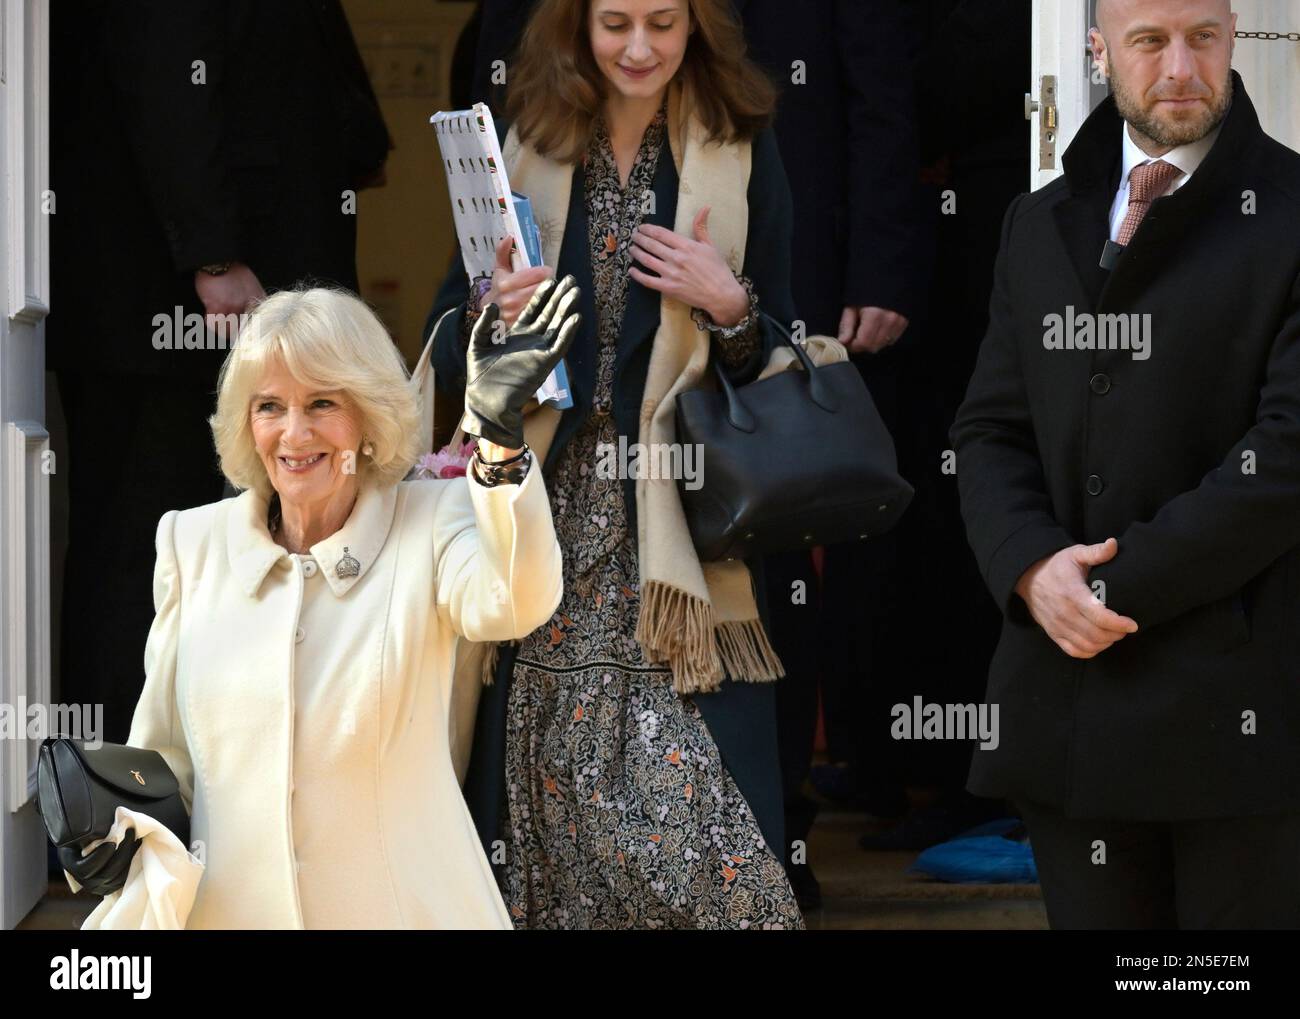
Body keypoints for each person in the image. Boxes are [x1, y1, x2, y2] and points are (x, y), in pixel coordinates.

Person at [424, 0, 803, 928]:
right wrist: (490, 315)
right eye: (617, 22)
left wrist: (731, 305)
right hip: (545, 520)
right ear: (578, 27)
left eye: (664, 23)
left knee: (701, 829)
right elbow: (447, 350)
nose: (640, 47)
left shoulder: (743, 151)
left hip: (680, 525)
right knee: (551, 807)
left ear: (696, 28)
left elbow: (786, 364)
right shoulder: (524, 145)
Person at [59, 282, 579, 928]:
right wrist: (113, 834)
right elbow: (166, 759)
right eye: (270, 405)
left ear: (366, 417)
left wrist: (500, 442)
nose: (294, 432)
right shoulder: (192, 542)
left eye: (322, 403)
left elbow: (517, 599)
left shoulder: (431, 523)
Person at [950, 0, 1300, 928]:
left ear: (1233, 41)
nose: (1181, 66)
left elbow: (1290, 453)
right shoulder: (1036, 223)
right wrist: (1031, 569)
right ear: (1101, 52)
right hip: (1071, 710)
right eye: (1150, 41)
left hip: (1242, 713)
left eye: (1204, 38)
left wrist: (1108, 587)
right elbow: (988, 433)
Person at [49, 0, 391, 745]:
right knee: (149, 554)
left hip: (205, 300)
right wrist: (213, 256)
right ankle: (116, 810)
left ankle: (194, 796)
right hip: (179, 311)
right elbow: (163, 58)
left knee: (208, 546)